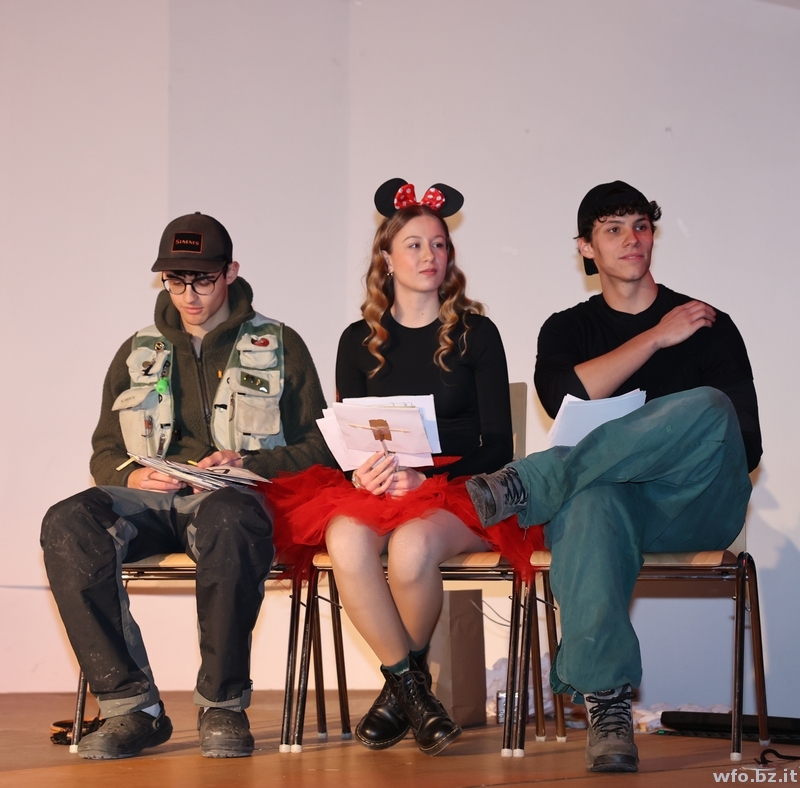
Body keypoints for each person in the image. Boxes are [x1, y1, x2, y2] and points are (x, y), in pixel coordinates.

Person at [467, 181, 761, 773]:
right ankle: (608, 709)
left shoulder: (706, 321)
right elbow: (563, 398)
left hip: (696, 505)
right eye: (613, 229)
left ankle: (532, 481)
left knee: (708, 407)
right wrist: (656, 337)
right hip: (616, 511)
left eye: (641, 225)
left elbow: (745, 444)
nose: (632, 239)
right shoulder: (566, 330)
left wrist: (668, 430)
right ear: (586, 247)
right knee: (592, 502)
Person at [40, 212, 334, 760]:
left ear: (231, 272)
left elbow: (322, 447)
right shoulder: (137, 351)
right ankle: (132, 709)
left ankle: (222, 704)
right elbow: (105, 451)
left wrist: (250, 462)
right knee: (68, 522)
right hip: (152, 503)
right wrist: (131, 475)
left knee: (229, 515)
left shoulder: (280, 344)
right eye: (176, 281)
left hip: (235, 503)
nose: (189, 295)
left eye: (202, 280)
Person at [268, 178, 544, 756]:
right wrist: (360, 475)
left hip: (460, 483)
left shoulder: (476, 334)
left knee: (413, 548)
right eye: (414, 245)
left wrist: (429, 479)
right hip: (382, 484)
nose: (429, 256)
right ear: (387, 259)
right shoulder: (357, 340)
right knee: (345, 539)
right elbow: (350, 441)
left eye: (439, 244)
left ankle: (400, 692)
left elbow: (500, 445)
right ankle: (414, 692)